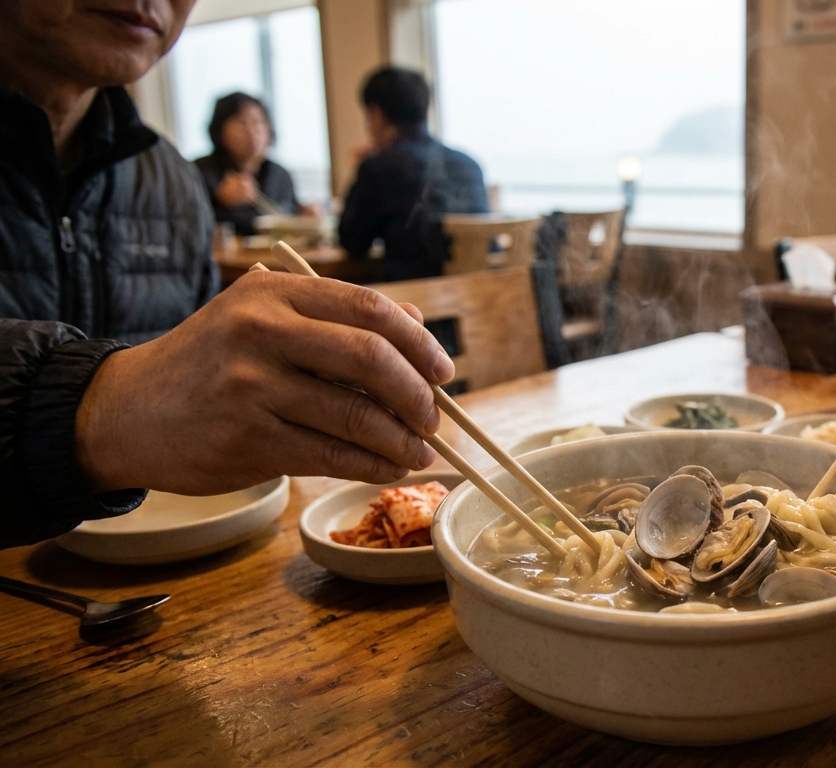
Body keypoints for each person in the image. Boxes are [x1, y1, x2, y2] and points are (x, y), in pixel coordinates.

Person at [0, 1, 451, 549]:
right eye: (243, 120)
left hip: (175, 549)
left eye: (261, 121)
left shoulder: (167, 179)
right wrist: (101, 408)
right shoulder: (201, 178)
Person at [338, 66, 490, 282]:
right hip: (475, 302)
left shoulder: (380, 167)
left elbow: (352, 241)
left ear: (376, 114)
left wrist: (360, 168)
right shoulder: (469, 164)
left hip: (415, 306)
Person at [192, 91, 313, 236]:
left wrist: (304, 217)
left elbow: (287, 215)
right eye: (242, 123)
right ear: (220, 129)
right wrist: (219, 201)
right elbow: (188, 225)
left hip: (274, 254)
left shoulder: (279, 174)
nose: (252, 132)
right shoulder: (198, 171)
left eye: (259, 122)